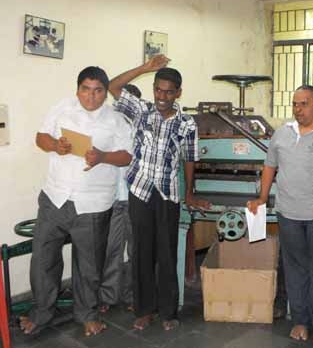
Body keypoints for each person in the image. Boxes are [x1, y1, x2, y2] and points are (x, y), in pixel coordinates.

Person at [20, 67, 132, 336]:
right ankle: (41, 314)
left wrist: (103, 157)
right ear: (77, 88)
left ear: (106, 93)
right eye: (86, 89)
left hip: (94, 203)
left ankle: (87, 314)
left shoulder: (117, 120)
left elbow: (127, 156)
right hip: (55, 198)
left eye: (98, 91)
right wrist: (55, 145)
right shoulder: (61, 108)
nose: (91, 97)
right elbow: (41, 137)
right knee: (43, 260)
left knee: (89, 265)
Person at [108, 55, 209, 332]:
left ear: (178, 93)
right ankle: (143, 310)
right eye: (158, 90)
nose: (162, 96)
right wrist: (144, 68)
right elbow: (113, 86)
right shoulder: (141, 110)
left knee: (167, 254)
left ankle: (168, 311)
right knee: (141, 253)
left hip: (168, 195)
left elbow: (189, 159)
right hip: (140, 190)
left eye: (168, 91)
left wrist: (188, 193)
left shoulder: (187, 123)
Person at [248, 85, 313, 345]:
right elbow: (269, 167)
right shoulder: (282, 134)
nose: (298, 109)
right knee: (294, 270)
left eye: (304, 103)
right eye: (295, 104)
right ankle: (301, 321)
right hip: (288, 214)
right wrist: (261, 197)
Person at [99, 84, 141, 313]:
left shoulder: (143, 128)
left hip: (136, 199)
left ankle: (135, 295)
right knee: (111, 250)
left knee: (137, 251)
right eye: (120, 102)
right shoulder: (108, 126)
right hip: (113, 199)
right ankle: (108, 296)